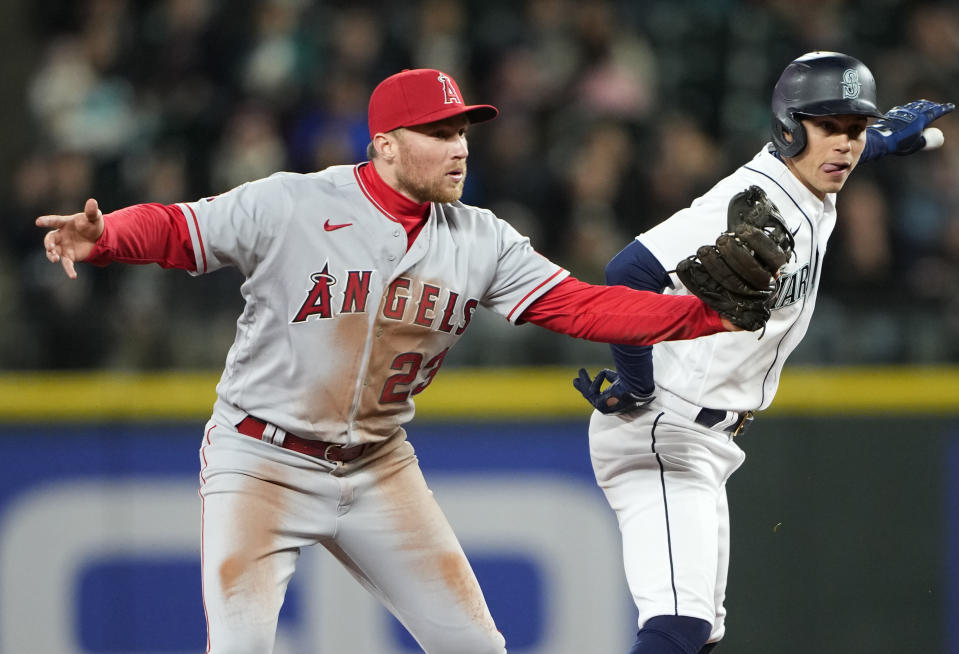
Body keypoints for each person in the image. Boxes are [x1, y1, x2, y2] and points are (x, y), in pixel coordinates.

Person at [36, 68, 761, 654]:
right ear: (384, 145)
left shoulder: (480, 238)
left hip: (378, 466)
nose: (460, 147)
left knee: (477, 648)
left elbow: (579, 307)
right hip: (260, 460)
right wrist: (105, 238)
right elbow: (178, 229)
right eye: (439, 132)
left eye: (464, 131)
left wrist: (703, 315)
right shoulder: (293, 203)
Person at [574, 51, 954, 654]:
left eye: (854, 129)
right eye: (829, 126)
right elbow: (626, 274)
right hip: (663, 429)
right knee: (679, 629)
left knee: (700, 637)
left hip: (704, 437)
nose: (846, 145)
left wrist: (881, 140)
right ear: (788, 126)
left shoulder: (813, 180)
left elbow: (846, 153)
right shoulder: (760, 198)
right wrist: (635, 380)